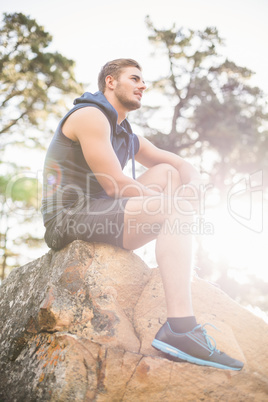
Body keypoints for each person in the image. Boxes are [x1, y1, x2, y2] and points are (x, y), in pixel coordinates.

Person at [41, 58, 243, 371]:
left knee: (165, 173)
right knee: (171, 207)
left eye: (143, 81)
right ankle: (180, 329)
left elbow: (179, 166)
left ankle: (174, 272)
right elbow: (117, 185)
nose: (143, 85)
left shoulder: (125, 134)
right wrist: (175, 207)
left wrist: (194, 185)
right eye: (134, 78)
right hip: (70, 215)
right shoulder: (90, 116)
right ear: (110, 81)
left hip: (103, 211)